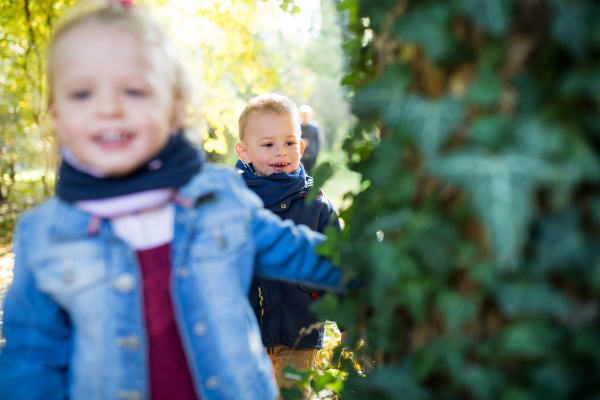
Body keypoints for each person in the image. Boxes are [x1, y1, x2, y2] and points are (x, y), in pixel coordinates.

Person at [0, 3, 340, 400]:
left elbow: (307, 254)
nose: (109, 108)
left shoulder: (219, 200)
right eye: (82, 92)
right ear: (57, 117)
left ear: (175, 109)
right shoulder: (45, 237)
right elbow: (29, 364)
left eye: (134, 90)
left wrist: (378, 267)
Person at [235, 94, 340, 397]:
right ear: (245, 152)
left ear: (301, 146)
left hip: (300, 329)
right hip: (247, 332)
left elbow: (336, 264)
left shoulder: (316, 206)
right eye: (267, 145)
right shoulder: (234, 205)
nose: (281, 152)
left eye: (290, 143)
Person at [298, 104, 323, 176]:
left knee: (311, 175)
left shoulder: (315, 127)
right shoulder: (297, 126)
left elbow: (318, 142)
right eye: (303, 114)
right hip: (300, 156)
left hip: (312, 156)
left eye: (306, 114)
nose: (305, 116)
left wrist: (316, 154)